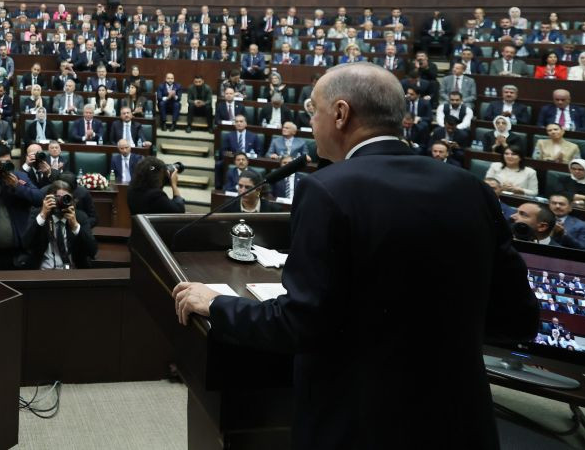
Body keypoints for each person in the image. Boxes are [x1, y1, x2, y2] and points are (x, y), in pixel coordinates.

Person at [172, 62, 536, 450]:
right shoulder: (471, 188)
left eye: (313, 110)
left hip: (362, 423)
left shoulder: (328, 190)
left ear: (341, 114)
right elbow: (518, 320)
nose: (311, 122)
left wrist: (218, 304)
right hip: (460, 421)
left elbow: (302, 324)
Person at [23, 179, 98, 270]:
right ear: (48, 199)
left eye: (66, 198)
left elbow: (92, 251)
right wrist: (42, 216)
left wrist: (75, 226)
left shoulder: (79, 217)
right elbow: (26, 243)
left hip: (73, 272)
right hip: (43, 272)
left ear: (72, 200)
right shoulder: (38, 214)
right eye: (57, 198)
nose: (61, 202)